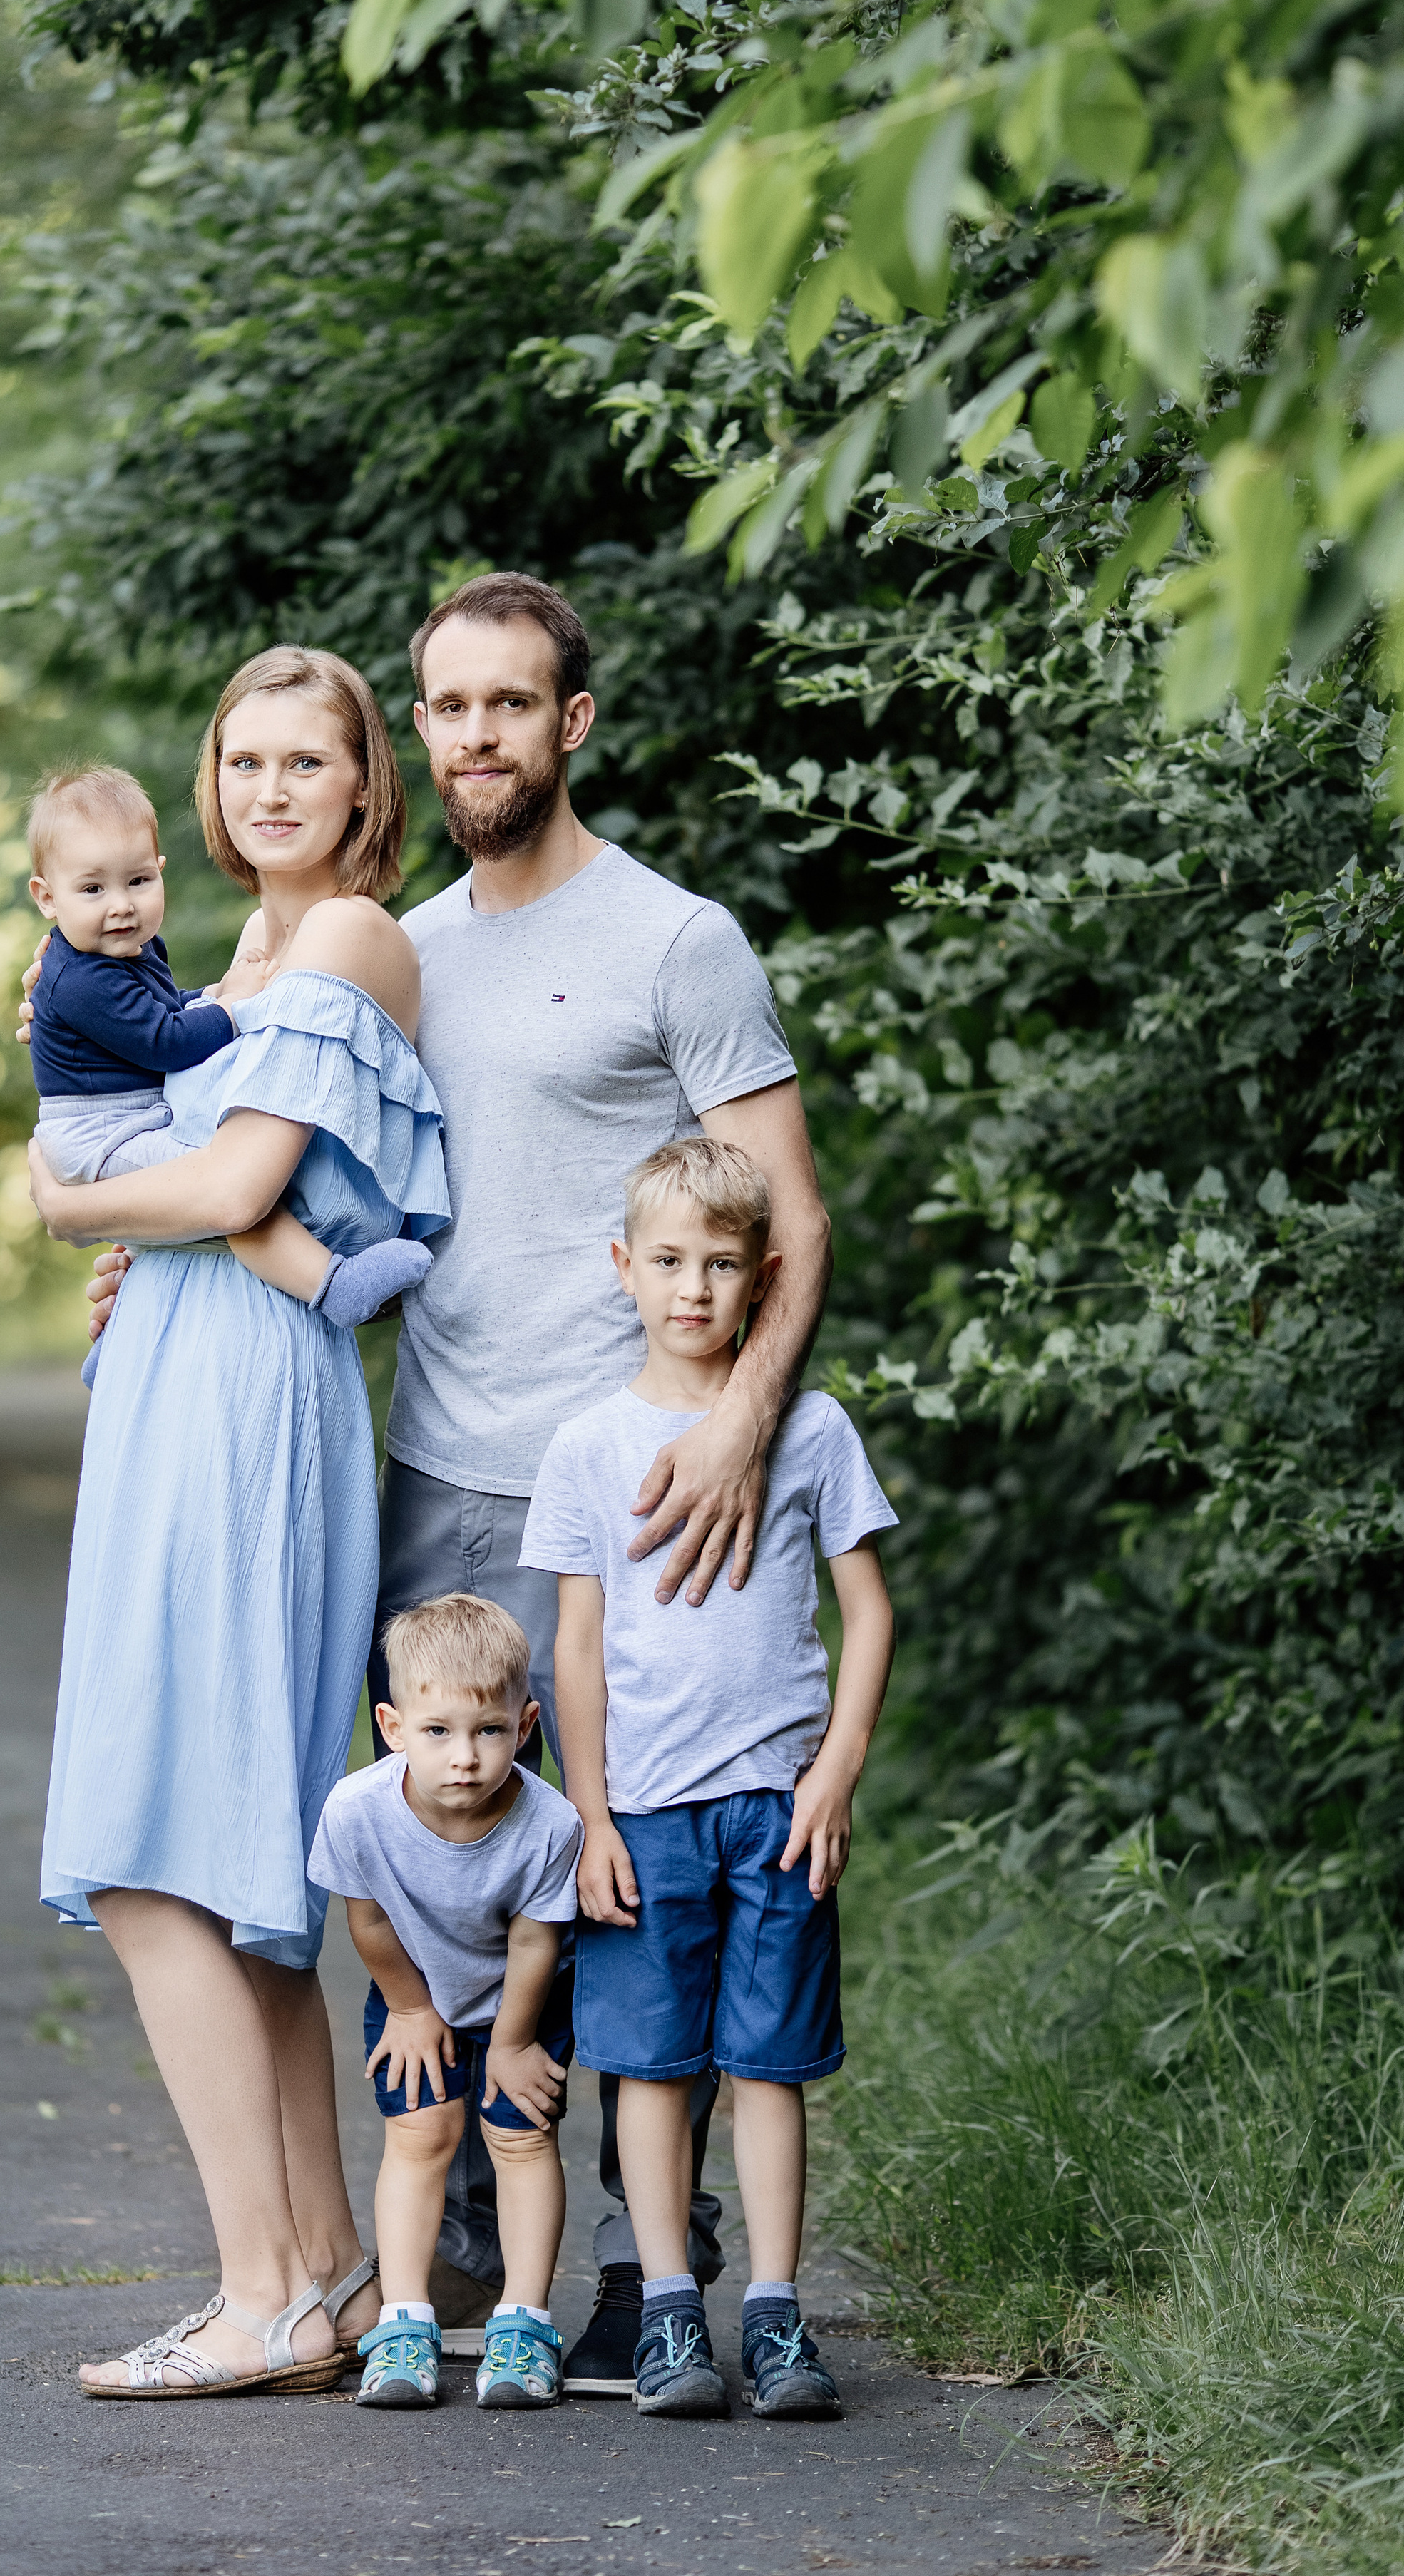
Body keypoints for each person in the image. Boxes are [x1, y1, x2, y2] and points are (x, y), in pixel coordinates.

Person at [74, 570, 836, 2391]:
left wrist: (733, 1427)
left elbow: (788, 1215)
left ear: (570, 722)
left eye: (511, 702)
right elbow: (314, 1178)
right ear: (415, 732)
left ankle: (658, 2269)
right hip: (427, 1463)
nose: (477, 732)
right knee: (444, 1854)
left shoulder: (676, 938)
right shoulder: (392, 942)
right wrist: (158, 1244)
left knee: (634, 1873)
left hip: (642, 1488)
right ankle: (457, 2265)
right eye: (447, 704)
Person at [26, 646, 449, 2398]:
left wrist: (67, 1204)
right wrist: (134, 1215)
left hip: (247, 1399)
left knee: (148, 1850)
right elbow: (187, 1176)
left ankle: (260, 2286)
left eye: (307, 758)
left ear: (365, 787)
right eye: (242, 757)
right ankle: (325, 2273)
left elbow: (230, 1188)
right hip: (179, 1379)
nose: (270, 788)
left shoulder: (347, 939)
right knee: (240, 1865)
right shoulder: (209, 964)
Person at [523, 1136, 898, 2419]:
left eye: (723, 1265)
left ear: (763, 1278)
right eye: (670, 1261)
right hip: (647, 1816)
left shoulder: (812, 1428)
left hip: (781, 1805)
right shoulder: (585, 1445)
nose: (694, 1287)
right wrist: (590, 1816)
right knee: (649, 2067)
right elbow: (576, 1643)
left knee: (772, 2067)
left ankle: (779, 2318)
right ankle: (672, 2314)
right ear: (623, 1268)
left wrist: (836, 1770)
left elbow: (869, 1610)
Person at [26, 758, 431, 1330]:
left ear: (159, 871)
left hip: (128, 1122)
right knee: (210, 1180)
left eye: (138, 881)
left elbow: (159, 1014)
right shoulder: (84, 977)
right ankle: (332, 1285)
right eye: (92, 889)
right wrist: (229, 1008)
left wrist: (212, 997)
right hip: (103, 1134)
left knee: (207, 1189)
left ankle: (124, 1316)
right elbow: (165, 1041)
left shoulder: (122, 951)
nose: (120, 905)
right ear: (47, 897)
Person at [308, 1594, 582, 2413]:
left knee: (519, 2137)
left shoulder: (549, 1823)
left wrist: (511, 2042)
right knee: (421, 2136)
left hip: (520, 2005)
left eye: (488, 1731)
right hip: (413, 1995)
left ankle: (523, 2324)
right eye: (437, 1732)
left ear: (525, 1724)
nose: (464, 1757)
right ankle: (403, 2320)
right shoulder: (357, 1811)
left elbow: (537, 1944)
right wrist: (410, 2008)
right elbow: (368, 1920)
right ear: (392, 1727)